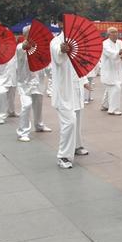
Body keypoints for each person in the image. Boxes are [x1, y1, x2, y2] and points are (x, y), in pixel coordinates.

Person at [50, 17, 89, 169]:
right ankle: (63, 156)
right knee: (69, 122)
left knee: (77, 120)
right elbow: (58, 57)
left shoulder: (76, 43)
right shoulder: (55, 42)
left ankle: (77, 145)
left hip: (76, 88)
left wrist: (84, 80)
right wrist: (62, 49)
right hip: (64, 91)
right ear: (60, 24)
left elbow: (79, 64)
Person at [15, 25, 52, 142]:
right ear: (25, 35)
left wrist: (52, 75)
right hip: (24, 83)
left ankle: (39, 125)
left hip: (38, 81)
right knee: (26, 105)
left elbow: (46, 63)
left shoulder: (39, 48)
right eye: (30, 34)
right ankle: (23, 132)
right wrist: (24, 46)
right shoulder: (21, 47)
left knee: (38, 104)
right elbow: (20, 50)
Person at [100, 27, 122, 115]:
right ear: (108, 34)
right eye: (112, 32)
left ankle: (105, 105)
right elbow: (110, 53)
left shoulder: (120, 42)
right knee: (116, 87)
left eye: (116, 32)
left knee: (110, 88)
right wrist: (119, 52)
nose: (115, 34)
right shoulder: (104, 44)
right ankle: (113, 110)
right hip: (108, 69)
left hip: (117, 67)